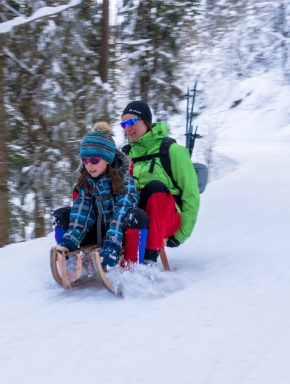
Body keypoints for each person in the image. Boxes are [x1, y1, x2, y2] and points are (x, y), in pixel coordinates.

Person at [52, 122, 150, 268]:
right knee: (61, 214)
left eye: (94, 160)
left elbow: (121, 214)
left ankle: (132, 269)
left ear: (108, 158)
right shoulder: (87, 182)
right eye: (85, 160)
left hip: (119, 236)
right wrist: (71, 239)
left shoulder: (124, 182)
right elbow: (82, 213)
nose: (89, 165)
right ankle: (68, 260)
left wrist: (112, 244)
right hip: (95, 233)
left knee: (137, 216)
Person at [120, 100, 200, 263]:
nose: (127, 128)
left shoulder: (172, 151)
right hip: (137, 217)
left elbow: (191, 194)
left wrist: (181, 234)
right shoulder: (125, 155)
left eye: (131, 122)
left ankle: (149, 256)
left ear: (146, 121)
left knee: (154, 188)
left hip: (168, 219)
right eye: (123, 124)